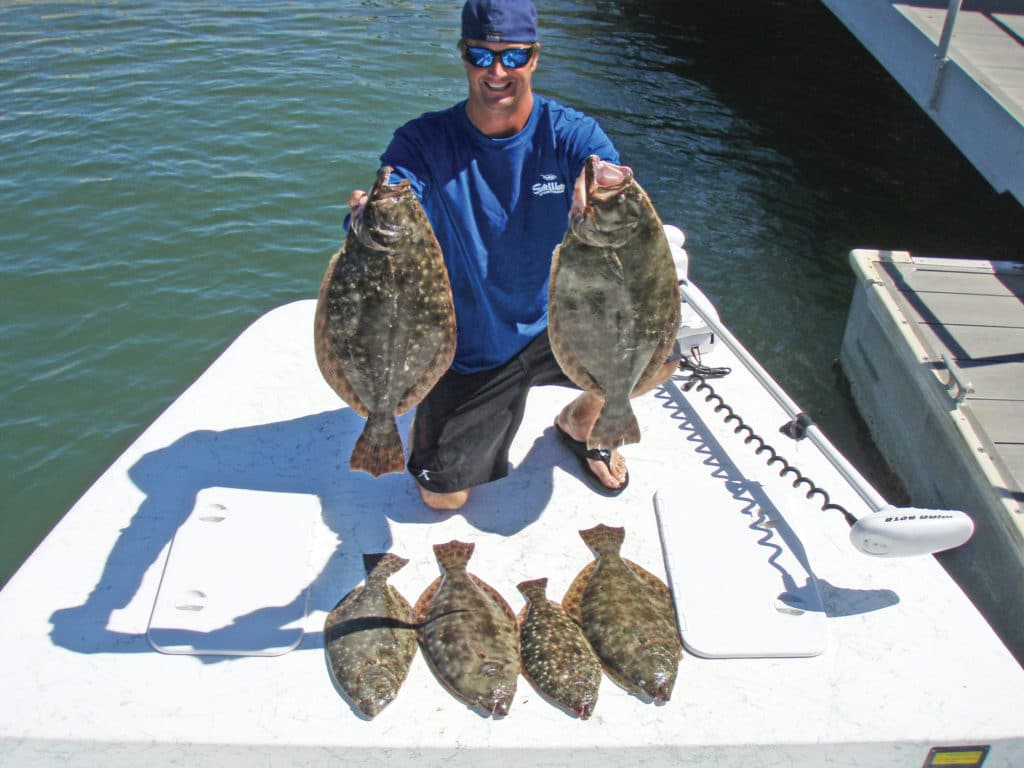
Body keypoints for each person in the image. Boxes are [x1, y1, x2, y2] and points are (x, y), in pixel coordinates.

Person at [348, 0, 676, 510]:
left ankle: (583, 418)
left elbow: (608, 174)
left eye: (513, 56)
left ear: (534, 58)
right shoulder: (423, 141)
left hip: (559, 322)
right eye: (481, 55)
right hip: (474, 344)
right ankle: (433, 420)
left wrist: (604, 188)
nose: (497, 71)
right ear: (463, 57)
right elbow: (394, 192)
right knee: (443, 499)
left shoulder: (569, 134)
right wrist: (370, 214)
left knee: (657, 356)